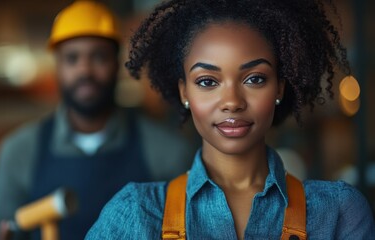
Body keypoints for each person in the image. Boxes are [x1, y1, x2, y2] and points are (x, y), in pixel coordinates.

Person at [85, 0, 375, 239]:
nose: (232, 102)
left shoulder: (339, 213)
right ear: (184, 91)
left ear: (280, 88)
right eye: (208, 81)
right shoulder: (135, 213)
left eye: (254, 78)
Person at [0, 1, 194, 239]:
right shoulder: (18, 153)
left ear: (117, 64)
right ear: (57, 66)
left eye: (98, 57)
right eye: (72, 58)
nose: (85, 70)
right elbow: (3, 232)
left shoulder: (167, 151)